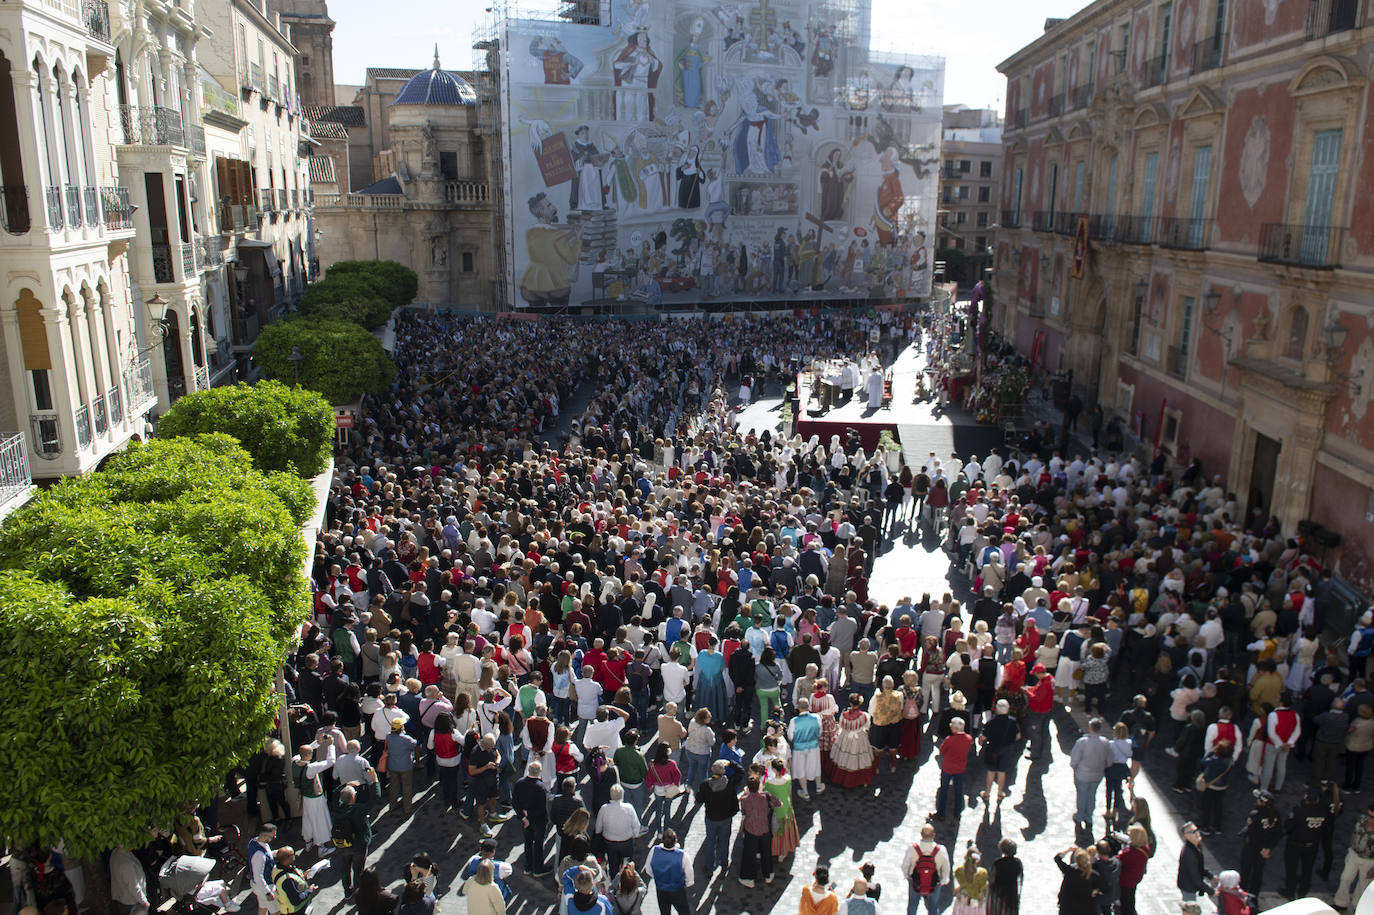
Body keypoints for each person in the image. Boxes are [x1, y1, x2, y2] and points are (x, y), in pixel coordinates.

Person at [331, 764, 381, 898]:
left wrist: (345, 784)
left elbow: (335, 793)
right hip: (358, 844)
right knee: (358, 869)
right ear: (353, 798)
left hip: (343, 843)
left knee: (345, 866)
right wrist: (375, 779)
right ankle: (358, 891)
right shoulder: (358, 810)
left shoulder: (337, 809)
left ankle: (347, 889)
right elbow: (375, 797)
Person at [697, 759, 741, 875]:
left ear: (712, 770)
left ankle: (709, 866)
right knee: (724, 841)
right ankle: (724, 864)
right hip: (726, 817)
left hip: (711, 817)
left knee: (710, 842)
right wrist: (731, 763)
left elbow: (699, 799)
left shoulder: (705, 785)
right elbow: (741, 772)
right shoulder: (729, 783)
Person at [737, 773, 781, 887]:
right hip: (765, 829)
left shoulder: (745, 799)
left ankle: (748, 878)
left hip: (751, 830)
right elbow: (778, 803)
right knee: (766, 852)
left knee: (749, 854)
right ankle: (768, 874)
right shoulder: (766, 796)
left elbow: (744, 812)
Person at [826, 692, 876, 787]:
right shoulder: (864, 716)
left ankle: (842, 779)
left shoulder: (844, 715)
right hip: (860, 737)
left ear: (850, 703)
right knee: (861, 758)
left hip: (845, 736)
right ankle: (862, 779)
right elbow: (867, 726)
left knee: (843, 757)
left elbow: (841, 725)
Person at [1069, 718, 1112, 831]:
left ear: (1090, 728)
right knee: (1091, 794)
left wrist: (1075, 766)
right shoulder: (1105, 742)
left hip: (1082, 774)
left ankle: (1080, 815)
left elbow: (1074, 759)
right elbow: (1109, 760)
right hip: (1097, 775)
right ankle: (1088, 817)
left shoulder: (1082, 742)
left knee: (1082, 794)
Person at [514, 760, 552, 875]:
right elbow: (542, 808)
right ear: (539, 772)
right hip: (538, 820)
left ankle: (528, 866)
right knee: (538, 844)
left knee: (528, 842)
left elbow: (515, 802)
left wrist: (523, 818)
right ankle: (538, 869)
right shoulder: (540, 787)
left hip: (526, 820)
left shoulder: (519, 783)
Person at [1333, 803, 1374, 910]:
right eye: (1368, 815)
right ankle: (1340, 903)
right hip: (1354, 854)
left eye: (1372, 817)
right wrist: (1350, 848)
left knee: (1363, 885)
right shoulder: (1361, 820)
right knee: (1345, 878)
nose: (1369, 819)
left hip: (1369, 861)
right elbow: (1355, 833)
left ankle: (1358, 906)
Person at [979, 699, 1020, 806]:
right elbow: (1018, 736)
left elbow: (983, 737)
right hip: (1006, 749)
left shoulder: (991, 722)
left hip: (992, 748)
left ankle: (987, 793)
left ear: (997, 709)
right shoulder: (1012, 721)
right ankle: (1000, 793)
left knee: (990, 772)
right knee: (1002, 772)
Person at [902, 824, 950, 915]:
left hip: (915, 881)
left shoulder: (912, 848)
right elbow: (946, 868)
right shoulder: (941, 850)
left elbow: (905, 865)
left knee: (912, 905)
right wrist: (943, 881)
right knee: (933, 906)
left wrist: (907, 876)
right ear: (933, 835)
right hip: (935, 882)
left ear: (921, 834)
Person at [645, 829, 694, 915]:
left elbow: (648, 870)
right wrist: (686, 883)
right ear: (675, 841)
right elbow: (689, 876)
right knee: (684, 912)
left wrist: (659, 878)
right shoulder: (683, 855)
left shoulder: (654, 850)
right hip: (677, 890)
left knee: (664, 912)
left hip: (661, 890)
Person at [933, 718, 972, 822]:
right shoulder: (968, 739)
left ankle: (941, 813)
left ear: (955, 728)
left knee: (944, 790)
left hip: (948, 768)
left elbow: (942, 751)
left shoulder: (949, 740)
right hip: (960, 768)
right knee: (958, 790)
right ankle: (957, 812)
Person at [1195, 739, 1236, 835]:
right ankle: (1217, 826)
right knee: (1218, 806)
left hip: (1211, 786)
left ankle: (1205, 827)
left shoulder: (1214, 760)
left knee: (1207, 806)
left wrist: (1211, 753)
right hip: (1222, 786)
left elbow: (1203, 761)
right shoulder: (1230, 760)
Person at [765, 757, 801, 858]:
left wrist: (766, 769)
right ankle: (783, 852)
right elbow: (789, 792)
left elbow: (764, 789)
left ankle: (776, 850)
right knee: (786, 830)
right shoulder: (788, 778)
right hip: (787, 807)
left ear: (774, 770)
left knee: (775, 830)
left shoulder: (769, 783)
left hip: (776, 809)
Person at [1052, 847, 1099, 915]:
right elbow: (1105, 887)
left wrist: (1068, 850)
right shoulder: (1093, 874)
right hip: (1084, 908)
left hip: (1067, 907)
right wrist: (1095, 891)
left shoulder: (1069, 871)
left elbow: (1057, 858)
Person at [271, 847, 318, 915]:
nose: (295, 855)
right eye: (293, 854)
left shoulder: (277, 868)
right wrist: (309, 890)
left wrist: (303, 876)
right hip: (294, 911)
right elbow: (296, 901)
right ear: (289, 858)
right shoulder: (287, 880)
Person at [1115, 825, 1150, 915]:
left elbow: (1116, 859)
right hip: (1135, 878)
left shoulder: (1130, 854)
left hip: (1126, 880)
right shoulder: (1145, 848)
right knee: (1130, 898)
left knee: (1126, 902)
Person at [246, 824, 279, 915]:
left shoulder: (253, 841)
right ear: (264, 835)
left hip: (257, 886)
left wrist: (274, 853)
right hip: (264, 886)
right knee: (275, 911)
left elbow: (266, 855)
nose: (274, 837)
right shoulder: (259, 855)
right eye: (272, 836)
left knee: (263, 907)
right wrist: (267, 892)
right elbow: (258, 876)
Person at [1176, 823, 1212, 904]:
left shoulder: (1197, 845)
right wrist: (1211, 891)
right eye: (1193, 832)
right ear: (1186, 836)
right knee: (1190, 908)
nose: (1197, 833)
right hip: (1188, 886)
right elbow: (1195, 877)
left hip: (1191, 884)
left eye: (1196, 830)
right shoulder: (1188, 853)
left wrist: (1210, 875)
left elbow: (1199, 866)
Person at [986, 838, 1022, 915]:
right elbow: (1020, 879)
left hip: (998, 893)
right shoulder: (1018, 863)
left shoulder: (997, 863)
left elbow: (991, 879)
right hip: (1011, 893)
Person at [951, 841, 988, 915]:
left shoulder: (959, 871)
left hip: (962, 901)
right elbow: (984, 890)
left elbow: (957, 889)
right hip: (977, 904)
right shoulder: (982, 872)